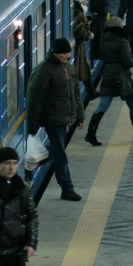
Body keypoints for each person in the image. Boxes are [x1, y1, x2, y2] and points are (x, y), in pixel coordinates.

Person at [27, 36, 85, 202]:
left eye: (68, 53)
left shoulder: (68, 67)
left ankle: (33, 161)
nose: (67, 55)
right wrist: (33, 125)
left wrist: (79, 115)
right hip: (52, 118)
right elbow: (34, 99)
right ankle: (67, 188)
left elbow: (75, 93)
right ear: (55, 53)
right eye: (64, 53)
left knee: (56, 149)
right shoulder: (43, 71)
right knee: (60, 154)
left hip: (64, 117)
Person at [85, 17, 133, 145]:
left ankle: (90, 133)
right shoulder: (122, 41)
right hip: (122, 78)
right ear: (119, 27)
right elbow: (128, 62)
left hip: (108, 76)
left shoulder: (103, 39)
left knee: (103, 105)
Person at [71, 0, 94, 99]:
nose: (87, 2)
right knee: (79, 72)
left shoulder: (78, 11)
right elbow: (78, 32)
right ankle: (89, 94)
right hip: (78, 49)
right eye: (85, 0)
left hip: (79, 48)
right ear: (80, 1)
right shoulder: (78, 13)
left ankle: (92, 93)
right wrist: (89, 35)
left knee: (83, 70)